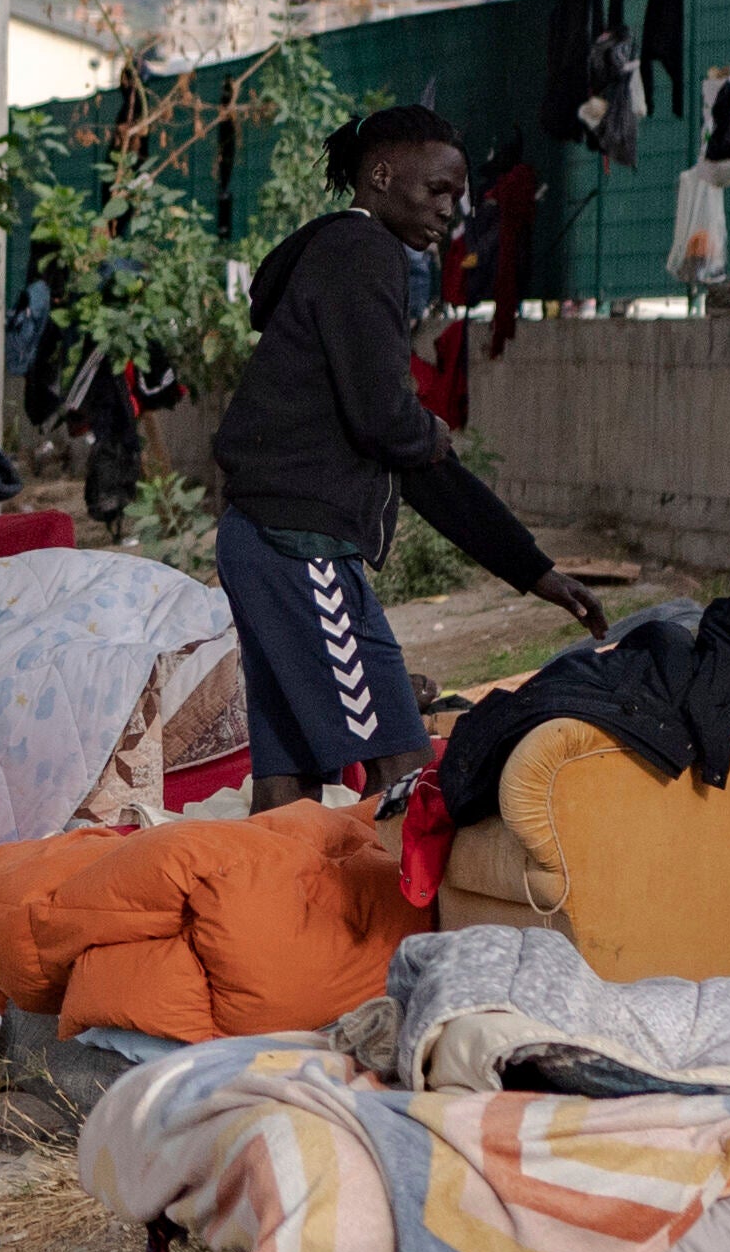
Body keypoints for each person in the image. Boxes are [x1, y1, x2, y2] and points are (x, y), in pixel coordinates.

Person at [209, 103, 604, 808]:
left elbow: (411, 462)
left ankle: (277, 915)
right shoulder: (366, 255)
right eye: (438, 190)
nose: (452, 211)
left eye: (458, 196)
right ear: (383, 175)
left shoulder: (331, 259)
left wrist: (533, 569)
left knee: (288, 783)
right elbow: (386, 422)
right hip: (301, 550)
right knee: (406, 770)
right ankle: (417, 919)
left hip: (259, 540)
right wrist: (427, 429)